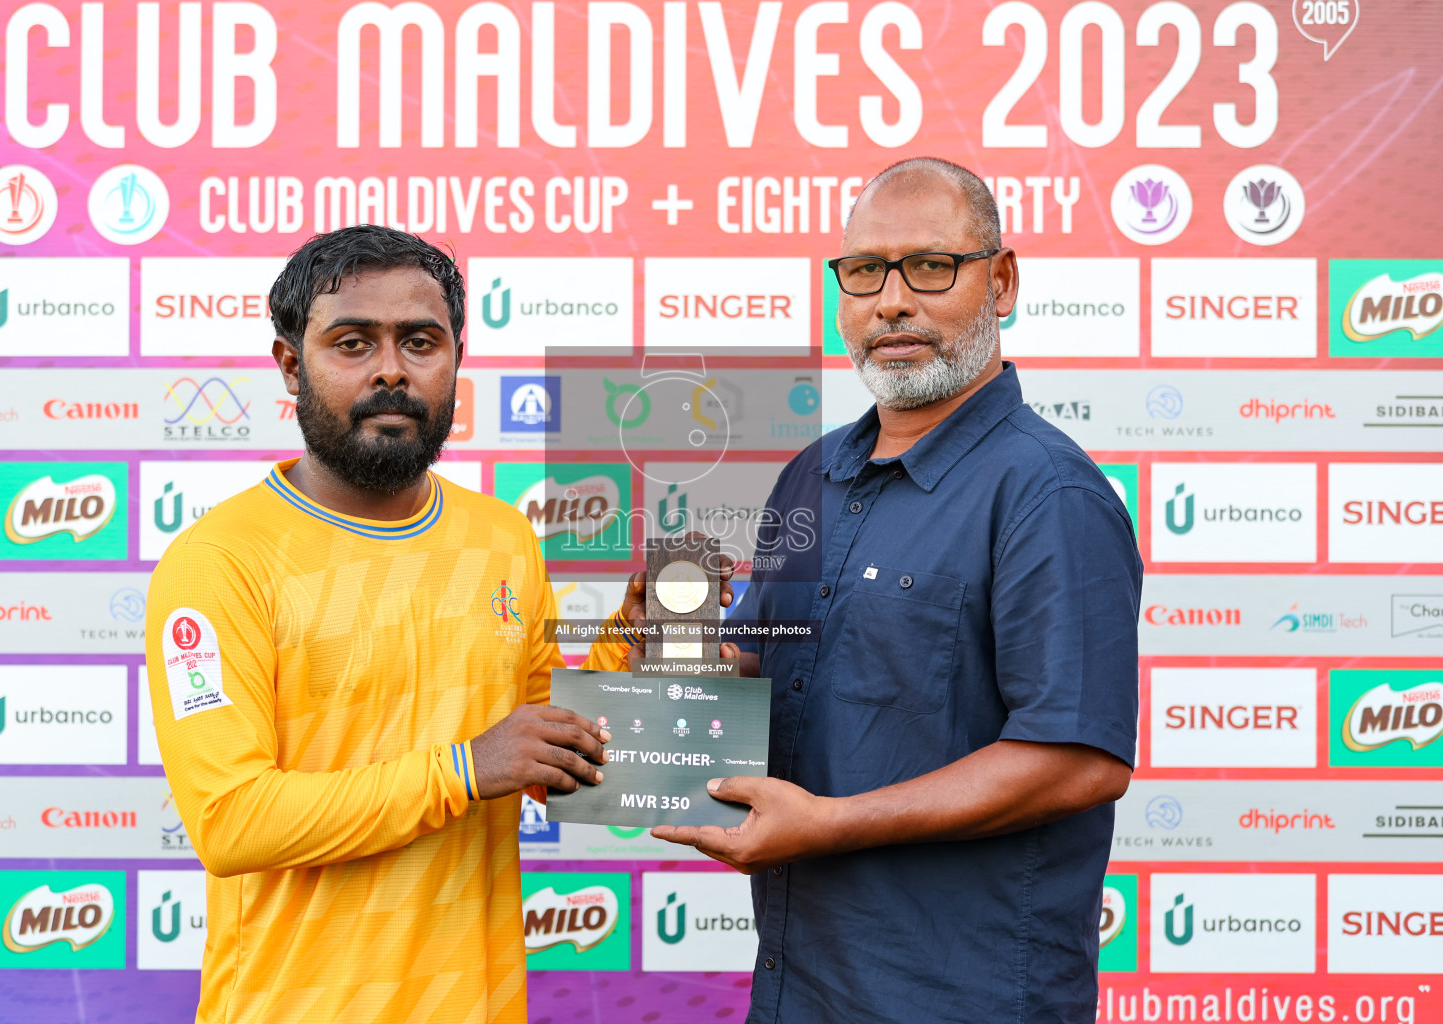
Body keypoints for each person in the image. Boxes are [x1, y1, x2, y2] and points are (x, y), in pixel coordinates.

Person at [143, 225, 729, 1024]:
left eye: (419, 341)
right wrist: (459, 770)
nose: (391, 369)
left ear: (456, 357)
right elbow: (230, 821)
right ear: (290, 365)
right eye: (352, 342)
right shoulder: (217, 563)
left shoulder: (501, 538)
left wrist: (639, 652)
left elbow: (545, 753)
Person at [652, 157, 1142, 1023]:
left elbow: (1078, 760)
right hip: (800, 982)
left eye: (930, 266)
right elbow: (757, 679)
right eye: (865, 271)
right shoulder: (812, 473)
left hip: (963, 993)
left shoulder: (1047, 493)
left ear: (1002, 281)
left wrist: (831, 823)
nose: (891, 302)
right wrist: (669, 650)